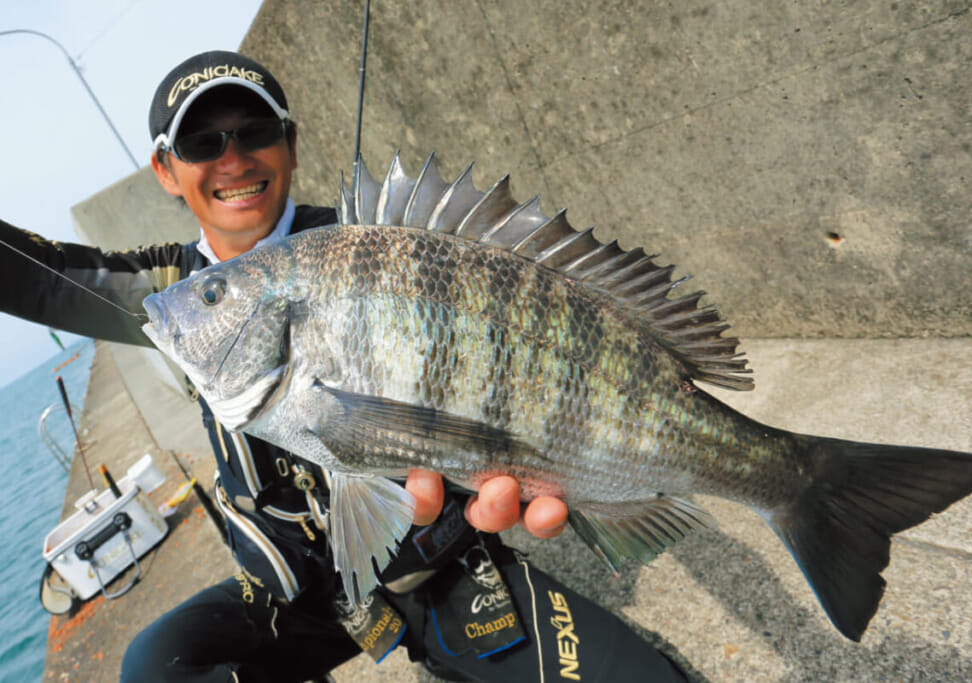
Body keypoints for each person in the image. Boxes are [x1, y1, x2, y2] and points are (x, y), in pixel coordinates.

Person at [1, 51, 687, 682]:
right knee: (153, 665)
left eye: (255, 130)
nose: (233, 158)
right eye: (201, 142)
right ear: (165, 169)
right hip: (291, 592)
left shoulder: (387, 248)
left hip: (438, 569)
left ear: (291, 144)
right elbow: (34, 275)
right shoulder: (171, 292)